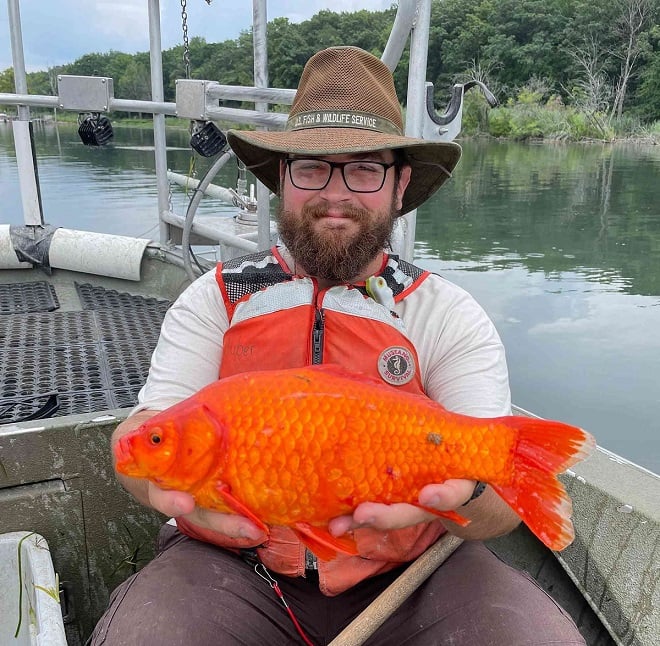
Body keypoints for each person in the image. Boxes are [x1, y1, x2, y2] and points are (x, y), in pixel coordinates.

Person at [90, 47, 585, 645]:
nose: (336, 192)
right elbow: (144, 433)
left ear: (400, 185)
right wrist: (151, 473)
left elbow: (501, 510)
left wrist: (464, 490)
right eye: (311, 167)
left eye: (365, 169)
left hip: (415, 571)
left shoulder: (449, 314)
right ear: (281, 179)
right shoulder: (213, 299)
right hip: (233, 571)